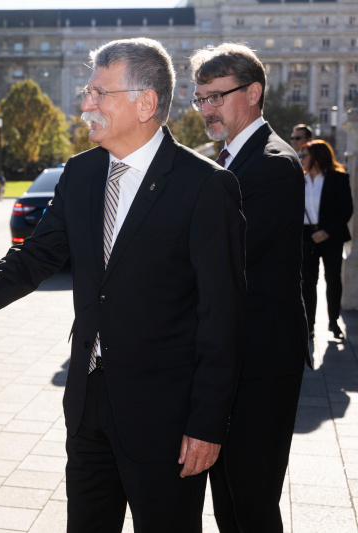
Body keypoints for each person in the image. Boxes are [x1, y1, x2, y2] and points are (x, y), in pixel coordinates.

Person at [0, 37, 246, 533]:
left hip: (164, 417)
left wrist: (207, 424)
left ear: (145, 102)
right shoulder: (80, 174)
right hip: (88, 406)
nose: (85, 104)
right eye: (87, 91)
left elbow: (222, 315)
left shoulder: (205, 186)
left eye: (99, 93)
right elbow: (35, 256)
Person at [189, 42, 311, 533]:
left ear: (254, 92)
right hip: (232, 359)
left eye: (217, 97)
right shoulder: (230, 160)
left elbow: (229, 259)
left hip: (260, 364)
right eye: (201, 99)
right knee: (229, 504)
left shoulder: (274, 164)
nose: (206, 110)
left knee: (252, 503)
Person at [300, 139, 352, 339]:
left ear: (317, 157)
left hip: (331, 236)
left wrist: (327, 232)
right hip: (306, 236)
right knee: (307, 282)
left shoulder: (338, 179)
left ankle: (333, 322)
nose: (301, 159)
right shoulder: (299, 179)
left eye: (304, 155)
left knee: (332, 279)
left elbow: (346, 209)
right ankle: (309, 326)